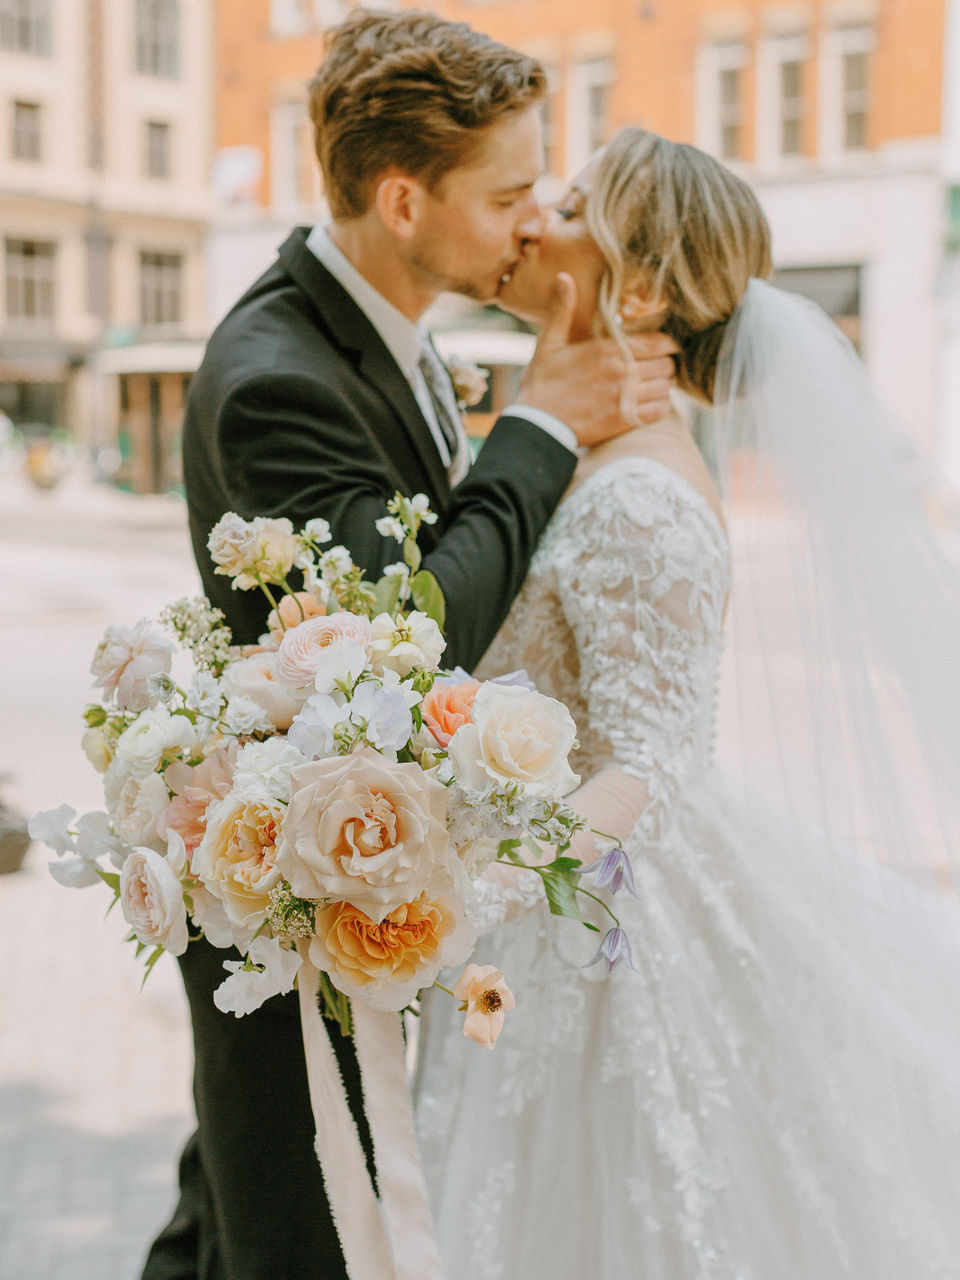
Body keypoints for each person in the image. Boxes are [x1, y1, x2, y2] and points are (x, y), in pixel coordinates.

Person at [141, 15, 677, 1280]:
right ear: (401, 198)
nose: (528, 219)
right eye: (505, 194)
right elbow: (401, 635)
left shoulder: (380, 327)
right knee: (288, 1232)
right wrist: (539, 423)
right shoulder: (278, 374)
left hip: (347, 883)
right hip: (291, 911)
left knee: (227, 1209)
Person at [415, 126, 960, 1278]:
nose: (533, 220)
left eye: (565, 203)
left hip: (596, 933)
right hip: (554, 915)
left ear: (646, 281)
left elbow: (650, 767)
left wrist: (476, 893)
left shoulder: (640, 499)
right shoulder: (590, 451)